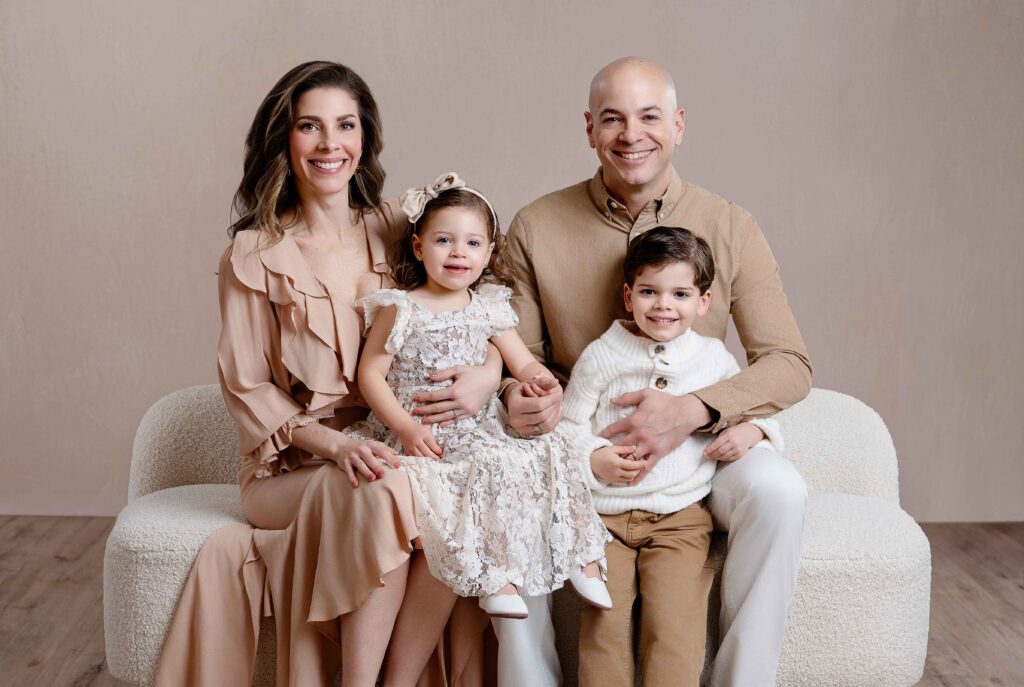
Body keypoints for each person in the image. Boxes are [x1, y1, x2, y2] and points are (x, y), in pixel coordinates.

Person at [154, 62, 500, 687]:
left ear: (365, 138)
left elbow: (484, 290)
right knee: (388, 484)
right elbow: (248, 387)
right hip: (292, 467)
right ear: (285, 140)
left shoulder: (400, 227)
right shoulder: (254, 254)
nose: (329, 144)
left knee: (428, 479)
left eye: (345, 125)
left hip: (389, 441)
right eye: (309, 126)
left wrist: (492, 371)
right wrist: (339, 445)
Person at [502, 57, 812, 686]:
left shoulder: (729, 225)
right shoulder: (536, 225)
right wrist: (516, 398)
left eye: (649, 116)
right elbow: (515, 357)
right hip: (583, 444)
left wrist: (696, 411)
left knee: (782, 491)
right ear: (590, 128)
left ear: (678, 125)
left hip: (698, 452)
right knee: (506, 482)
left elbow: (789, 362)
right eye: (612, 118)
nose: (631, 134)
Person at [344, 173, 612, 686]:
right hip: (423, 435)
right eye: (444, 240)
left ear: (490, 252)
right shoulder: (399, 307)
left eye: (471, 243)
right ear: (419, 246)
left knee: (546, 450)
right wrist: (402, 425)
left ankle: (581, 557)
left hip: (480, 433)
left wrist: (538, 384)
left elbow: (524, 364)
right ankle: (495, 576)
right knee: (479, 477)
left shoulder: (489, 308)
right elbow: (370, 375)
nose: (457, 253)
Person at [564, 226, 783, 687]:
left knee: (674, 627)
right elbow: (567, 427)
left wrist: (752, 430)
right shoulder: (602, 356)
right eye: (649, 291)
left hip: (681, 518)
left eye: (680, 293)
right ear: (628, 295)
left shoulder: (713, 358)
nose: (664, 305)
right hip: (603, 519)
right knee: (603, 626)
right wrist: (594, 456)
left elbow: (753, 407)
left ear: (703, 302)